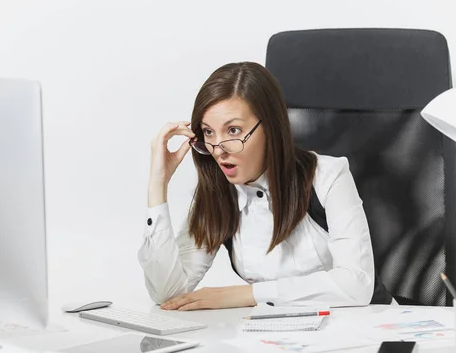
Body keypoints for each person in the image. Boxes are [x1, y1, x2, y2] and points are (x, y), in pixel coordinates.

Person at [138, 62, 375, 311]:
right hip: (275, 337)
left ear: (270, 127)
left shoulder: (327, 176)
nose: (218, 149)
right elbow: (168, 294)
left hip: (364, 328)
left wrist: (248, 294)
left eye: (233, 130)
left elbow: (356, 286)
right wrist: (158, 183)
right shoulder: (218, 195)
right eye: (208, 132)